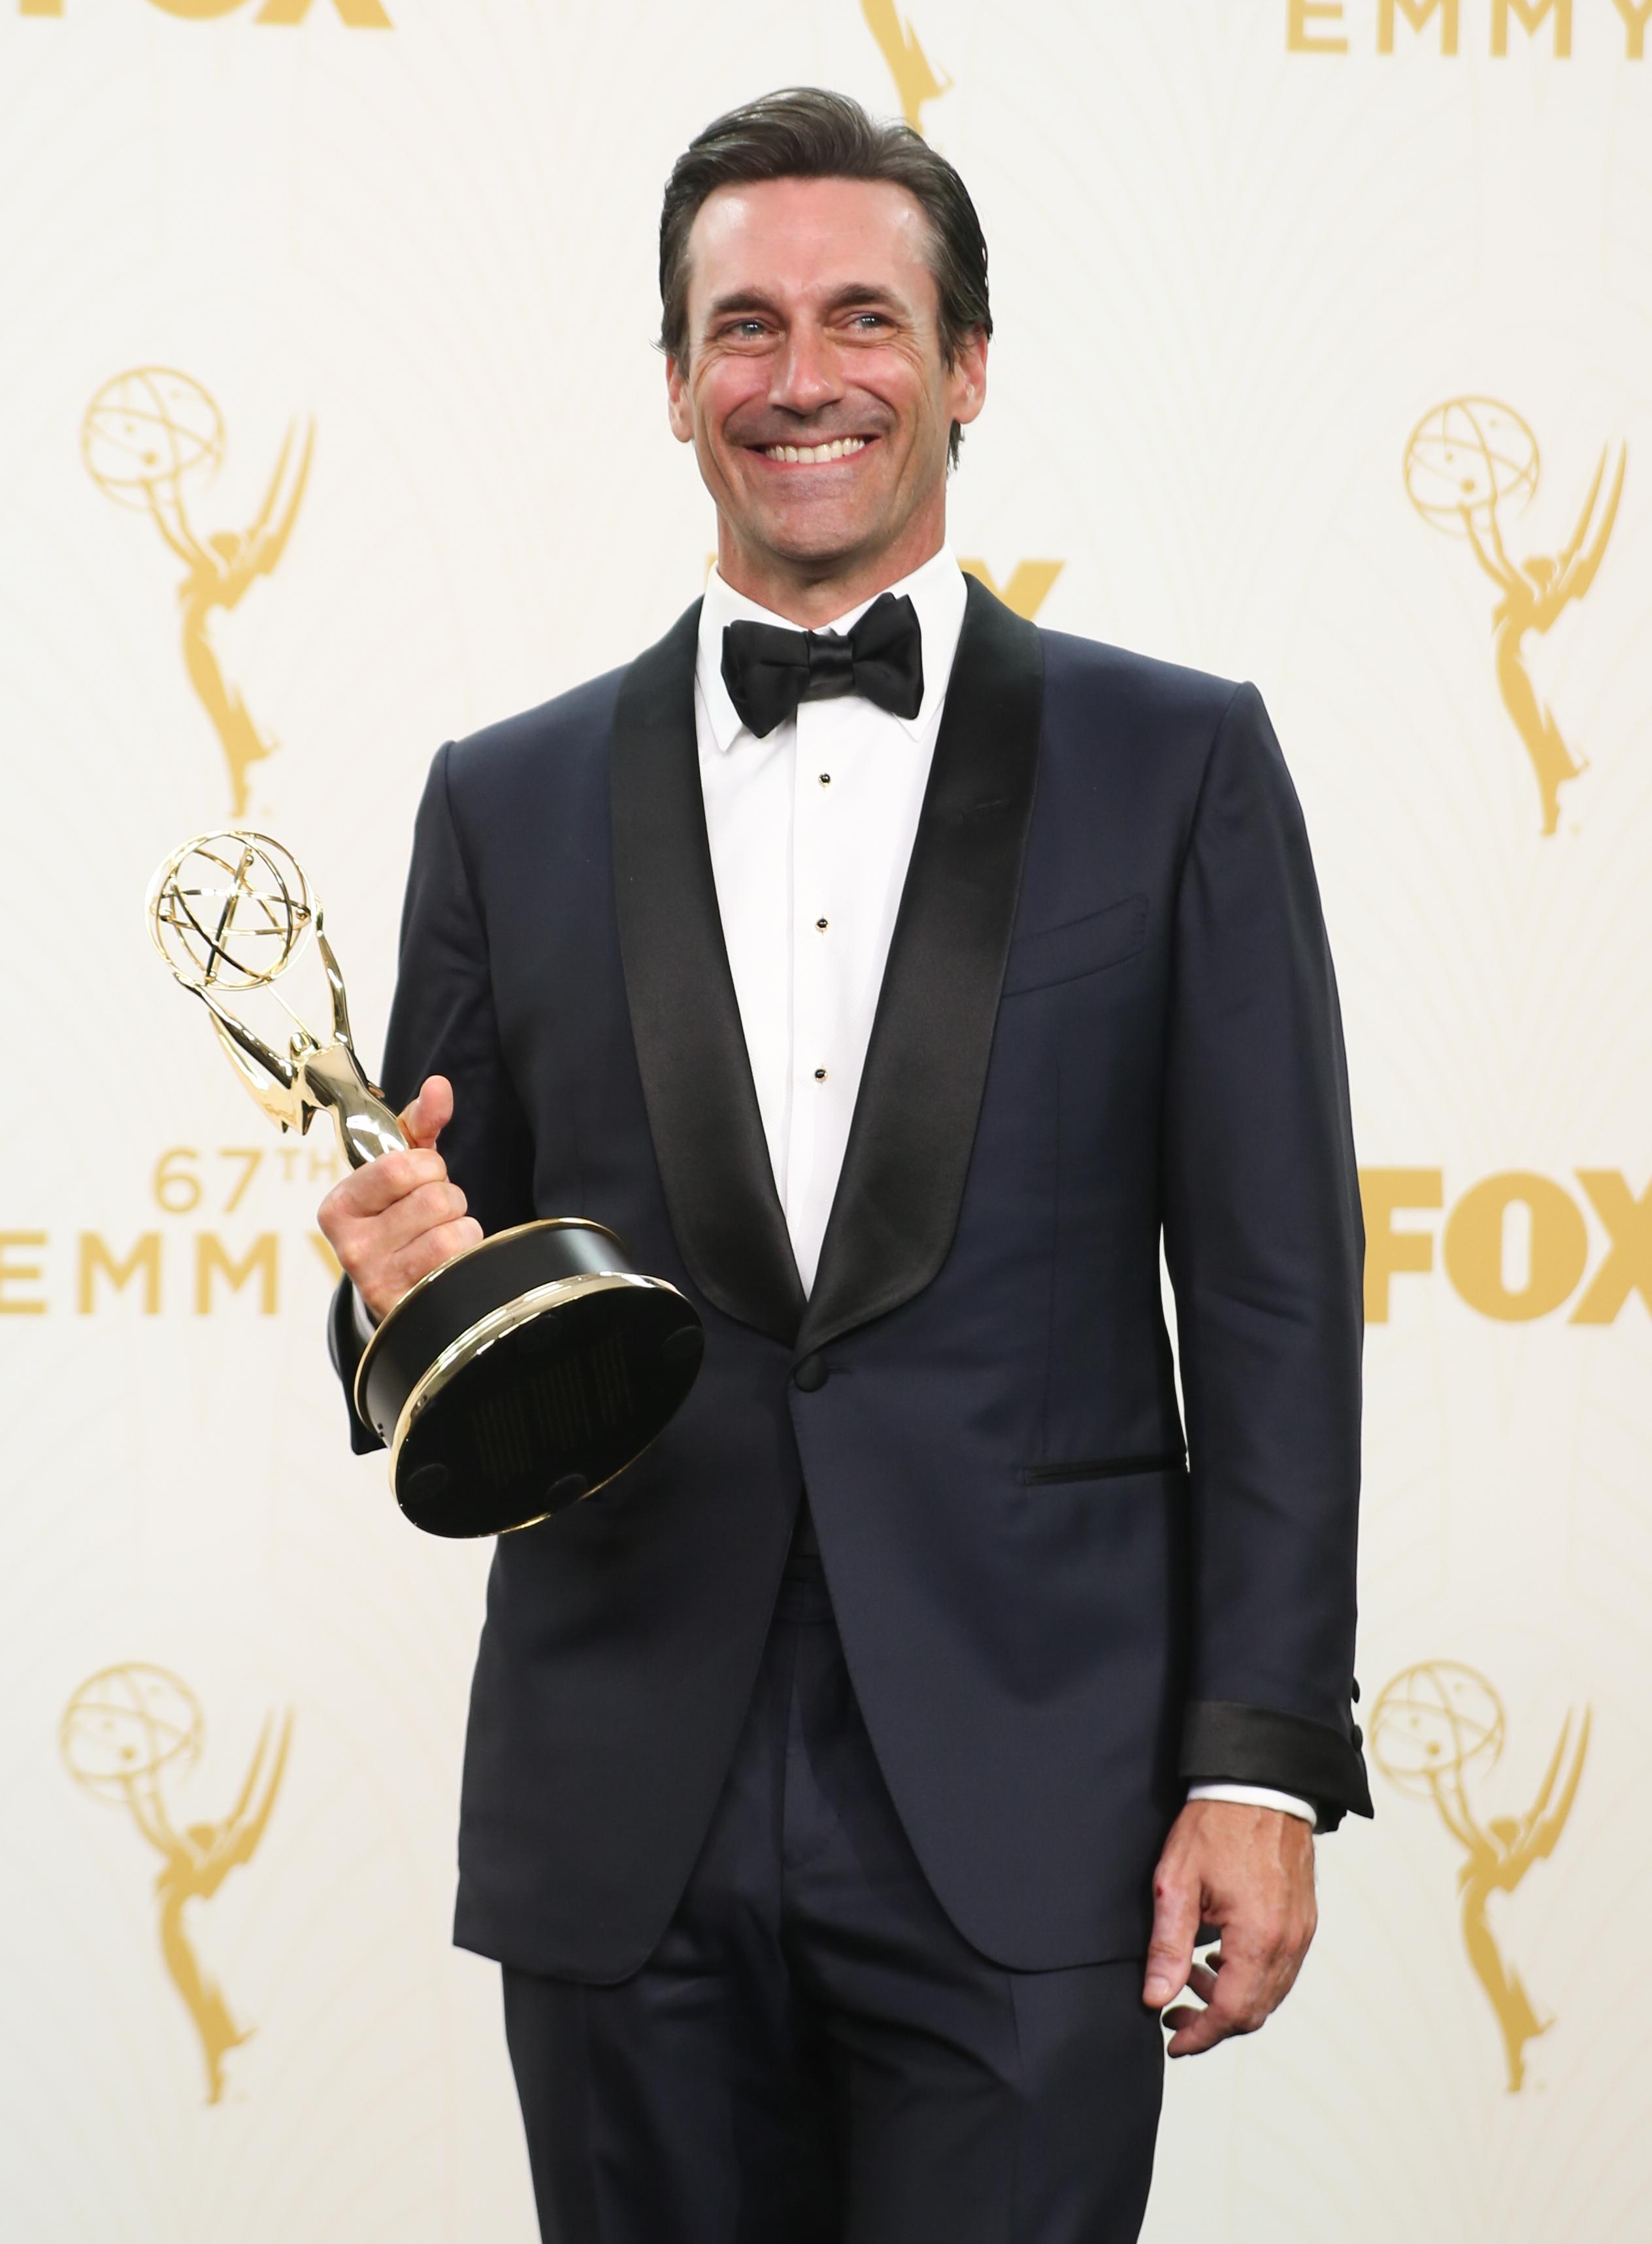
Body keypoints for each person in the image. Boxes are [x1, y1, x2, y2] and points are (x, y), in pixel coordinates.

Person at [318, 87, 1372, 2244]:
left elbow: (1273, 1303)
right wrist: (389, 1289)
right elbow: (448, 1316)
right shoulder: (498, 802)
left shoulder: (1180, 764)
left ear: (967, 367)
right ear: (679, 383)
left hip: (1037, 1795)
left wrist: (1256, 1761)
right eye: (745, 327)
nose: (803, 377)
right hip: (625, 1804)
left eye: (864, 318)